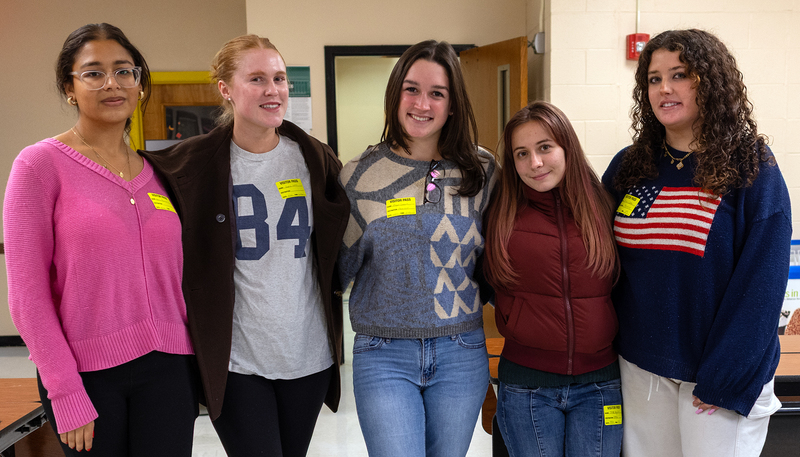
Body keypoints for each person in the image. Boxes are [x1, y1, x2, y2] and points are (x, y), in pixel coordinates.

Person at [140, 35, 349, 457]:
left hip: (307, 354)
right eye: (256, 79)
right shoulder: (189, 165)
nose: (273, 90)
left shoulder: (315, 158)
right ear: (225, 89)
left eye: (279, 78)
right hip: (236, 360)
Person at [4, 23, 198, 456]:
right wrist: (64, 389)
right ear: (69, 88)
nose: (112, 83)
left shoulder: (162, 173)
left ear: (139, 84)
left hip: (170, 371)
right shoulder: (39, 165)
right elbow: (27, 295)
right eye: (93, 73)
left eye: (124, 71)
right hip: (88, 377)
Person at [602, 29, 791, 456]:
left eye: (679, 74)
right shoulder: (631, 166)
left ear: (710, 82)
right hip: (639, 370)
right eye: (653, 78)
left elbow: (761, 285)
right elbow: (596, 257)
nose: (664, 88)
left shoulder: (751, 168)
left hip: (715, 379)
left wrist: (725, 377)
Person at [337, 40, 496, 457]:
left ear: (452, 104)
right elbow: (338, 269)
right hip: (383, 354)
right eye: (411, 89)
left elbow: (502, 258)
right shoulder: (358, 175)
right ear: (395, 95)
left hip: (461, 352)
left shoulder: (484, 172)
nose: (422, 103)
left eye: (437, 93)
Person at [483, 101, 622, 457]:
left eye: (545, 147)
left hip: (600, 385)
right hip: (527, 387)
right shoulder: (499, 213)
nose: (536, 163)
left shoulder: (605, 207)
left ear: (566, 147)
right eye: (522, 153)